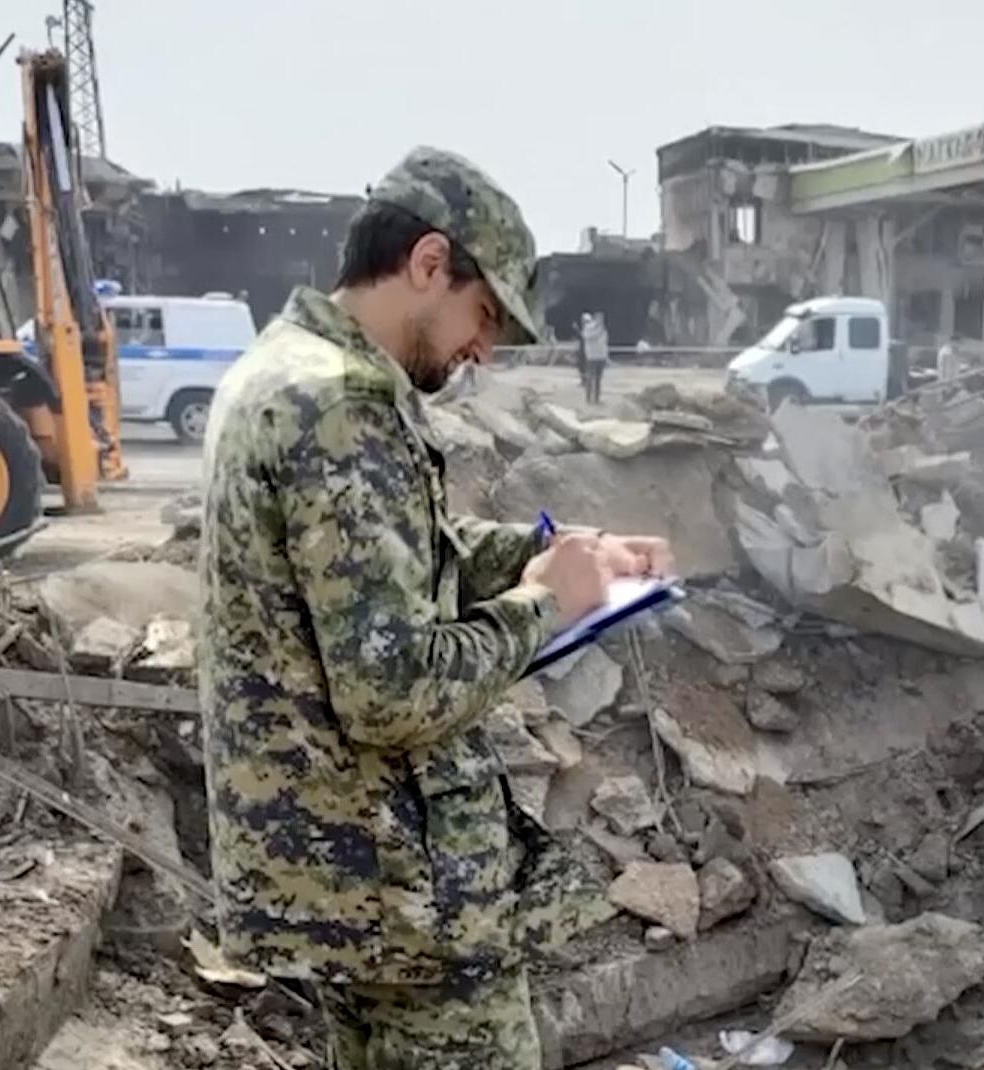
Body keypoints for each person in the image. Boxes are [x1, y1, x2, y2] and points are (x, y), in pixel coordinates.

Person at [198, 146, 673, 1070]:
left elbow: (392, 569)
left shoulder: (280, 369)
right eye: (484, 314)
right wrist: (544, 605)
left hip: (339, 880)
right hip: (399, 894)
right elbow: (392, 689)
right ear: (427, 264)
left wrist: (550, 552)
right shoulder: (341, 405)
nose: (483, 351)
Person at [580, 310, 610, 405]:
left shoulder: (604, 330)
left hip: (601, 356)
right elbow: (587, 337)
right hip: (592, 356)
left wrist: (606, 355)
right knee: (590, 378)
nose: (601, 321)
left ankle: (597, 398)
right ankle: (588, 398)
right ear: (596, 319)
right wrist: (598, 331)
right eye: (599, 319)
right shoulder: (589, 328)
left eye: (602, 319)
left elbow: (604, 343)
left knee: (598, 379)